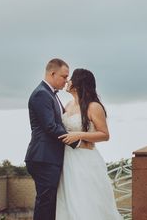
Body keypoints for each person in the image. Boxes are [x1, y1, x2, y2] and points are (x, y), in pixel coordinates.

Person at [54, 68, 122, 220]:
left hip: (85, 160)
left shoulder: (94, 107)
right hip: (67, 159)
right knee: (68, 200)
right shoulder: (68, 104)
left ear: (78, 84)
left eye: (70, 78)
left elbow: (105, 135)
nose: (67, 81)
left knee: (86, 200)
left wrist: (79, 135)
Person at [25, 58, 79, 220]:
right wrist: (76, 140)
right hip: (43, 157)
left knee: (50, 202)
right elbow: (50, 126)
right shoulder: (41, 94)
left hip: (49, 157)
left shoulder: (50, 94)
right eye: (64, 76)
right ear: (52, 73)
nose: (66, 81)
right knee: (46, 202)